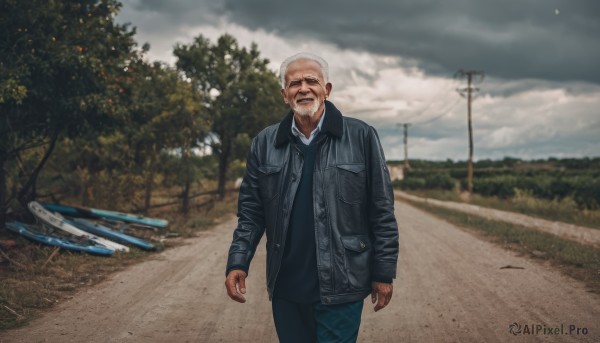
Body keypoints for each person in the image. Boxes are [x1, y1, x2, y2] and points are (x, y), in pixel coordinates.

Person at [225, 52, 399, 342]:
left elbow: (381, 210)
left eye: (311, 81)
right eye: (294, 83)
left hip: (343, 284)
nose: (303, 88)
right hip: (287, 288)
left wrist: (384, 272)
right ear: (284, 95)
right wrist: (237, 262)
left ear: (326, 90)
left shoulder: (361, 136)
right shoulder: (264, 143)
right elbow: (251, 214)